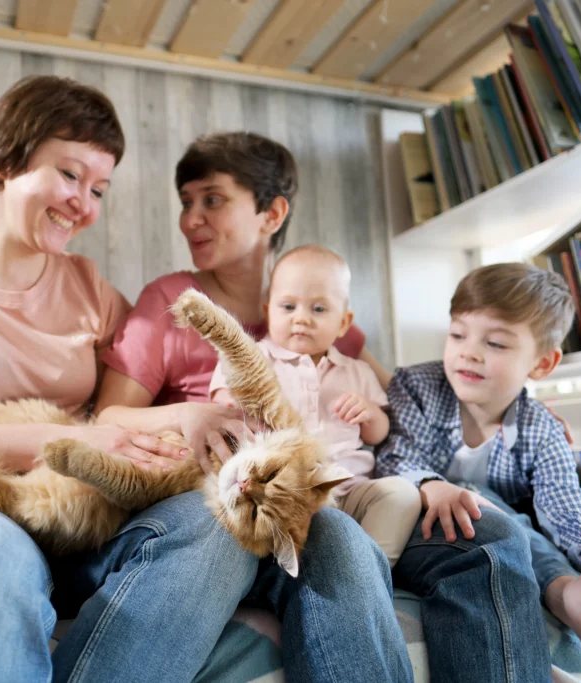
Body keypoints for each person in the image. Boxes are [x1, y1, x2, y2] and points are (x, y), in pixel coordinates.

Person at [0, 75, 264, 683]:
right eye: (69, 175)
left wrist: (193, 415)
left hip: (84, 517)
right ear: (3, 159)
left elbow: (147, 395)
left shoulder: (89, 286)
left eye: (99, 188)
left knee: (218, 526)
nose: (85, 205)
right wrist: (70, 443)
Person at [96, 132, 413, 682]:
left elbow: (398, 396)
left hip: (297, 503)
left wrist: (497, 410)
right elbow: (106, 418)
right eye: (186, 202)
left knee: (337, 536)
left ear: (271, 213)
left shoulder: (307, 310)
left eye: (212, 200)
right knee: (216, 537)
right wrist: (184, 414)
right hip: (209, 494)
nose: (190, 219)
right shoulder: (170, 300)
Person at [376, 262, 581, 680]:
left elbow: (566, 511)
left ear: (541, 363)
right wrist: (433, 485)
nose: (468, 351)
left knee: (519, 525)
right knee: (480, 499)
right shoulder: (415, 386)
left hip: (512, 536)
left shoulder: (542, 427)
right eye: (457, 334)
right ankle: (566, 597)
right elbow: (394, 458)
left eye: (496, 343)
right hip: (422, 530)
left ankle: (575, 596)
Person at [209, 244, 421, 565]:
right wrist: (239, 405)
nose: (302, 319)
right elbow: (220, 401)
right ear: (268, 311)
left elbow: (379, 434)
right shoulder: (254, 358)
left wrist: (369, 412)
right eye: (288, 306)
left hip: (348, 488)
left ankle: (374, 567)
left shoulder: (357, 371)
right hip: (281, 493)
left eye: (319, 309)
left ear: (343, 322)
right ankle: (330, 562)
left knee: (402, 494)